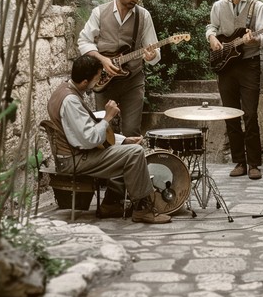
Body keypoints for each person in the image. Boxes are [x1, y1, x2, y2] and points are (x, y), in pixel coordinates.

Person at [47, 54, 171, 223]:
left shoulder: (65, 89)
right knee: (134, 153)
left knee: (129, 149)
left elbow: (85, 131)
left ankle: (111, 204)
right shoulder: (70, 101)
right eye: (97, 78)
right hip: (74, 160)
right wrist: (108, 117)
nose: (99, 81)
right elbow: (89, 139)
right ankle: (143, 209)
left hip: (76, 154)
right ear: (85, 82)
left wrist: (123, 140)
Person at [206, 0, 263, 180]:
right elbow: (211, 28)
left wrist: (252, 40)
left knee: (250, 114)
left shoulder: (257, 7)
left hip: (249, 65)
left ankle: (254, 163)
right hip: (225, 65)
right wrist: (212, 38)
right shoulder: (218, 6)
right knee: (230, 114)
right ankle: (239, 162)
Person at [78, 0, 159, 137]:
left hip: (133, 81)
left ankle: (130, 162)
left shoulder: (144, 16)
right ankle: (110, 163)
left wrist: (152, 56)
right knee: (105, 133)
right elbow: (83, 41)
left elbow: (154, 50)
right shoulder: (99, 12)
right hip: (103, 80)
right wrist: (102, 59)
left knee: (131, 132)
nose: (135, 0)